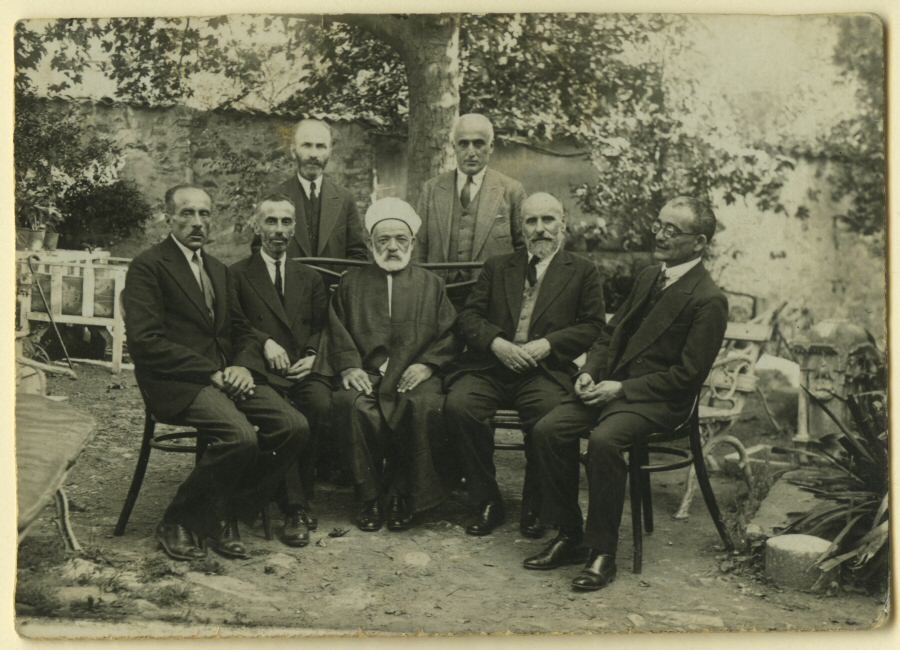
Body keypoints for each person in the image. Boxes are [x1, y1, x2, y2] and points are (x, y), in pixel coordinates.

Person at [527, 196, 728, 592]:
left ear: (700, 242)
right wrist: (590, 372)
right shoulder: (650, 276)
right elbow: (609, 335)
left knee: (604, 441)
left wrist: (620, 388)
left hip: (659, 401)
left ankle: (602, 553)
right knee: (547, 430)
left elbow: (687, 376)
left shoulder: (708, 299)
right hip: (612, 388)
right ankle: (570, 534)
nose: (660, 235)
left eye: (672, 230)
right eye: (659, 225)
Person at [123, 183, 310, 560]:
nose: (197, 222)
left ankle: (225, 513)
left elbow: (242, 329)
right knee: (240, 436)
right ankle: (176, 521)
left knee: (293, 426)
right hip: (177, 381)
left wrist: (242, 365)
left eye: (204, 214)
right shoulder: (148, 266)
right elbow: (145, 341)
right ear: (168, 218)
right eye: (187, 213)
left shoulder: (218, 270)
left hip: (227, 376)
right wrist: (211, 372)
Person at [443, 192, 605, 538]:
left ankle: (537, 504)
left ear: (563, 224)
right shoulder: (498, 266)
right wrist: (497, 343)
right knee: (459, 405)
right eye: (531, 221)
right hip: (490, 367)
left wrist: (549, 345)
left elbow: (593, 325)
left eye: (548, 220)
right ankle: (486, 500)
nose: (540, 228)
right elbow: (469, 316)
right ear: (521, 228)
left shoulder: (582, 271)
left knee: (548, 415)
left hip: (543, 371)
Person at [316, 198, 458, 532]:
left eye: (400, 239)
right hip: (366, 372)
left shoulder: (431, 284)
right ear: (370, 244)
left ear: (413, 242)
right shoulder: (351, 282)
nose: (392, 247)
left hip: (414, 373)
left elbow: (449, 334)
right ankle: (369, 496)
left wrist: (428, 366)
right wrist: (349, 367)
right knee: (351, 404)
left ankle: (403, 496)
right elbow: (336, 329)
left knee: (422, 405)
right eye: (383, 240)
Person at [231, 194, 333, 542]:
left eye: (285, 222)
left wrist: (313, 355)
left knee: (320, 403)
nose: (278, 230)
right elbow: (234, 324)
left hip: (301, 368)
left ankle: (300, 492)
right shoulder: (237, 274)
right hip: (260, 369)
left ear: (294, 229)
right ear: (256, 226)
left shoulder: (310, 277)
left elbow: (322, 326)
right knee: (286, 416)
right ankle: (295, 507)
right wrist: (265, 342)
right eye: (270, 221)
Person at [416, 113, 526, 301]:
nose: (471, 152)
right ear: (454, 147)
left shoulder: (511, 191)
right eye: (463, 144)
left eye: (478, 143)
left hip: (492, 297)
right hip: (441, 296)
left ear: (491, 146)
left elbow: (524, 249)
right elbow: (419, 248)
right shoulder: (431, 189)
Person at [273, 118, 367, 261]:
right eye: (307, 145)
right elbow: (261, 252)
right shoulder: (274, 197)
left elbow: (358, 253)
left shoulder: (345, 199)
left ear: (330, 152)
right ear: (293, 150)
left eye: (321, 146)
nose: (313, 154)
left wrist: (346, 275)